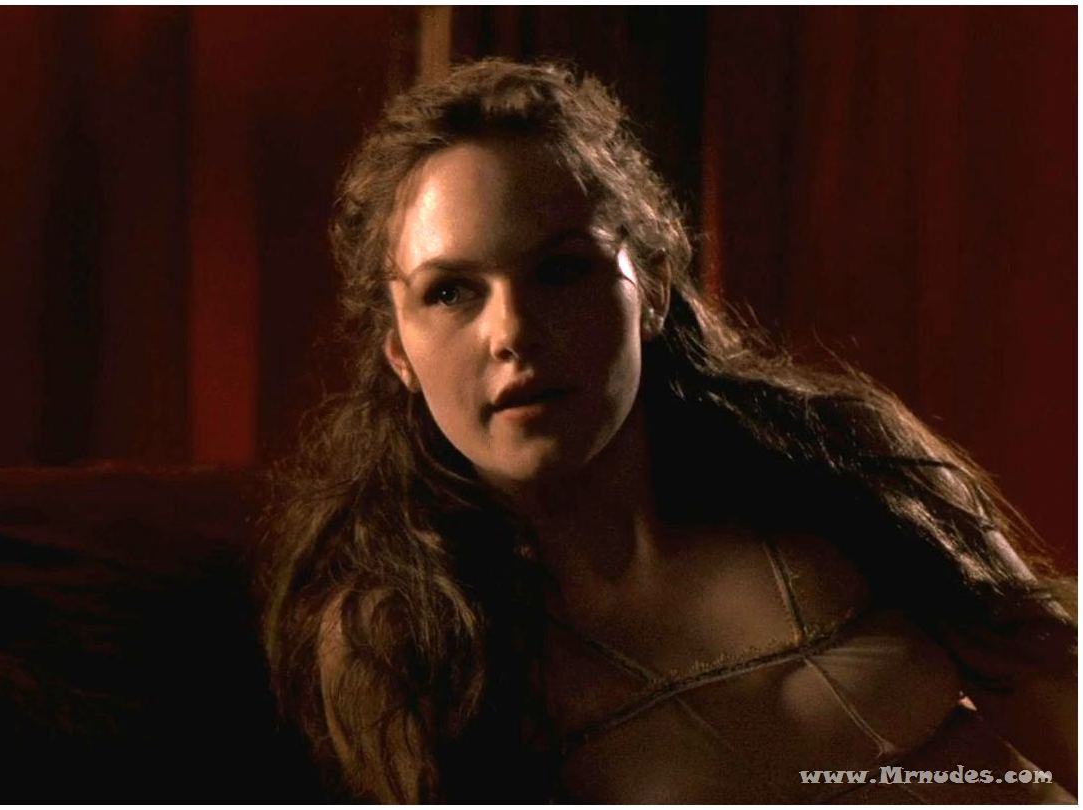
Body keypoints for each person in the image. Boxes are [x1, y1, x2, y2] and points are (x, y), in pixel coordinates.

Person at [259, 59, 1076, 803]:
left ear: (649, 288)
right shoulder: (402, 641)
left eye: (562, 269)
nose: (512, 332)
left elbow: (1057, 686)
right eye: (450, 292)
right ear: (398, 352)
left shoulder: (841, 459)